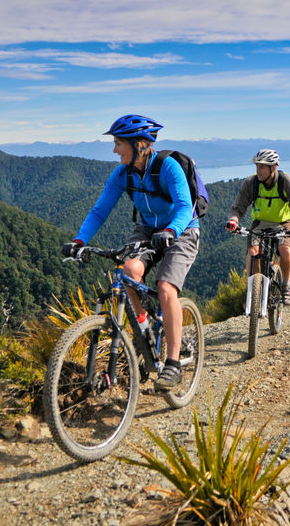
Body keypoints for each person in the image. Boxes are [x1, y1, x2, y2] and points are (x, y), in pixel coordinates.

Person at [61, 115, 200, 392]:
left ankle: (172, 363)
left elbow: (186, 205)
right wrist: (79, 240)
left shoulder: (168, 167)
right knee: (128, 272)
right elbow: (100, 210)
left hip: (182, 229)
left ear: (138, 144)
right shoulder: (122, 174)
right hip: (148, 229)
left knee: (165, 288)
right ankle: (143, 327)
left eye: (117, 143)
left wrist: (171, 230)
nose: (114, 150)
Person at [225, 149, 290, 305]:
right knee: (252, 253)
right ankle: (253, 291)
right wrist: (233, 221)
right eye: (257, 166)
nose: (259, 171)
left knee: (284, 250)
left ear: (273, 167)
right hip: (260, 223)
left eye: (263, 167)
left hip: (285, 223)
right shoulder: (252, 183)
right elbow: (237, 207)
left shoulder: (285, 181)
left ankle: (285, 286)